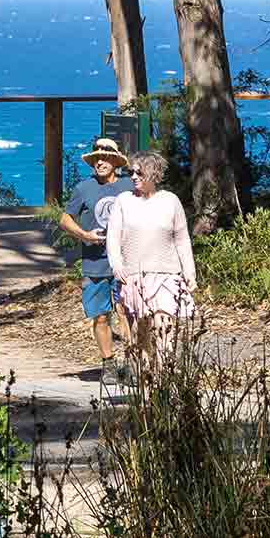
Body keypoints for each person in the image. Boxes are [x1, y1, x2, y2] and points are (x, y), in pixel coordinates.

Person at [105, 150, 196, 375]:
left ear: (153, 173)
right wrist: (117, 266)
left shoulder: (170, 201)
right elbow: (113, 237)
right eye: (131, 172)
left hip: (167, 275)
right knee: (142, 337)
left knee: (164, 330)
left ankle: (164, 382)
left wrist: (190, 272)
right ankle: (147, 393)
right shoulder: (123, 201)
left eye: (139, 172)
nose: (134, 177)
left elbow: (182, 239)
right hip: (134, 277)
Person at [60, 137, 134, 386]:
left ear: (115, 161)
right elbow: (65, 219)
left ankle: (132, 362)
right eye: (96, 158)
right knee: (101, 316)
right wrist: (84, 235)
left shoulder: (128, 185)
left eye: (105, 157)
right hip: (94, 262)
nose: (100, 161)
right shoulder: (84, 188)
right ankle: (109, 364)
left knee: (127, 312)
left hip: (126, 261)